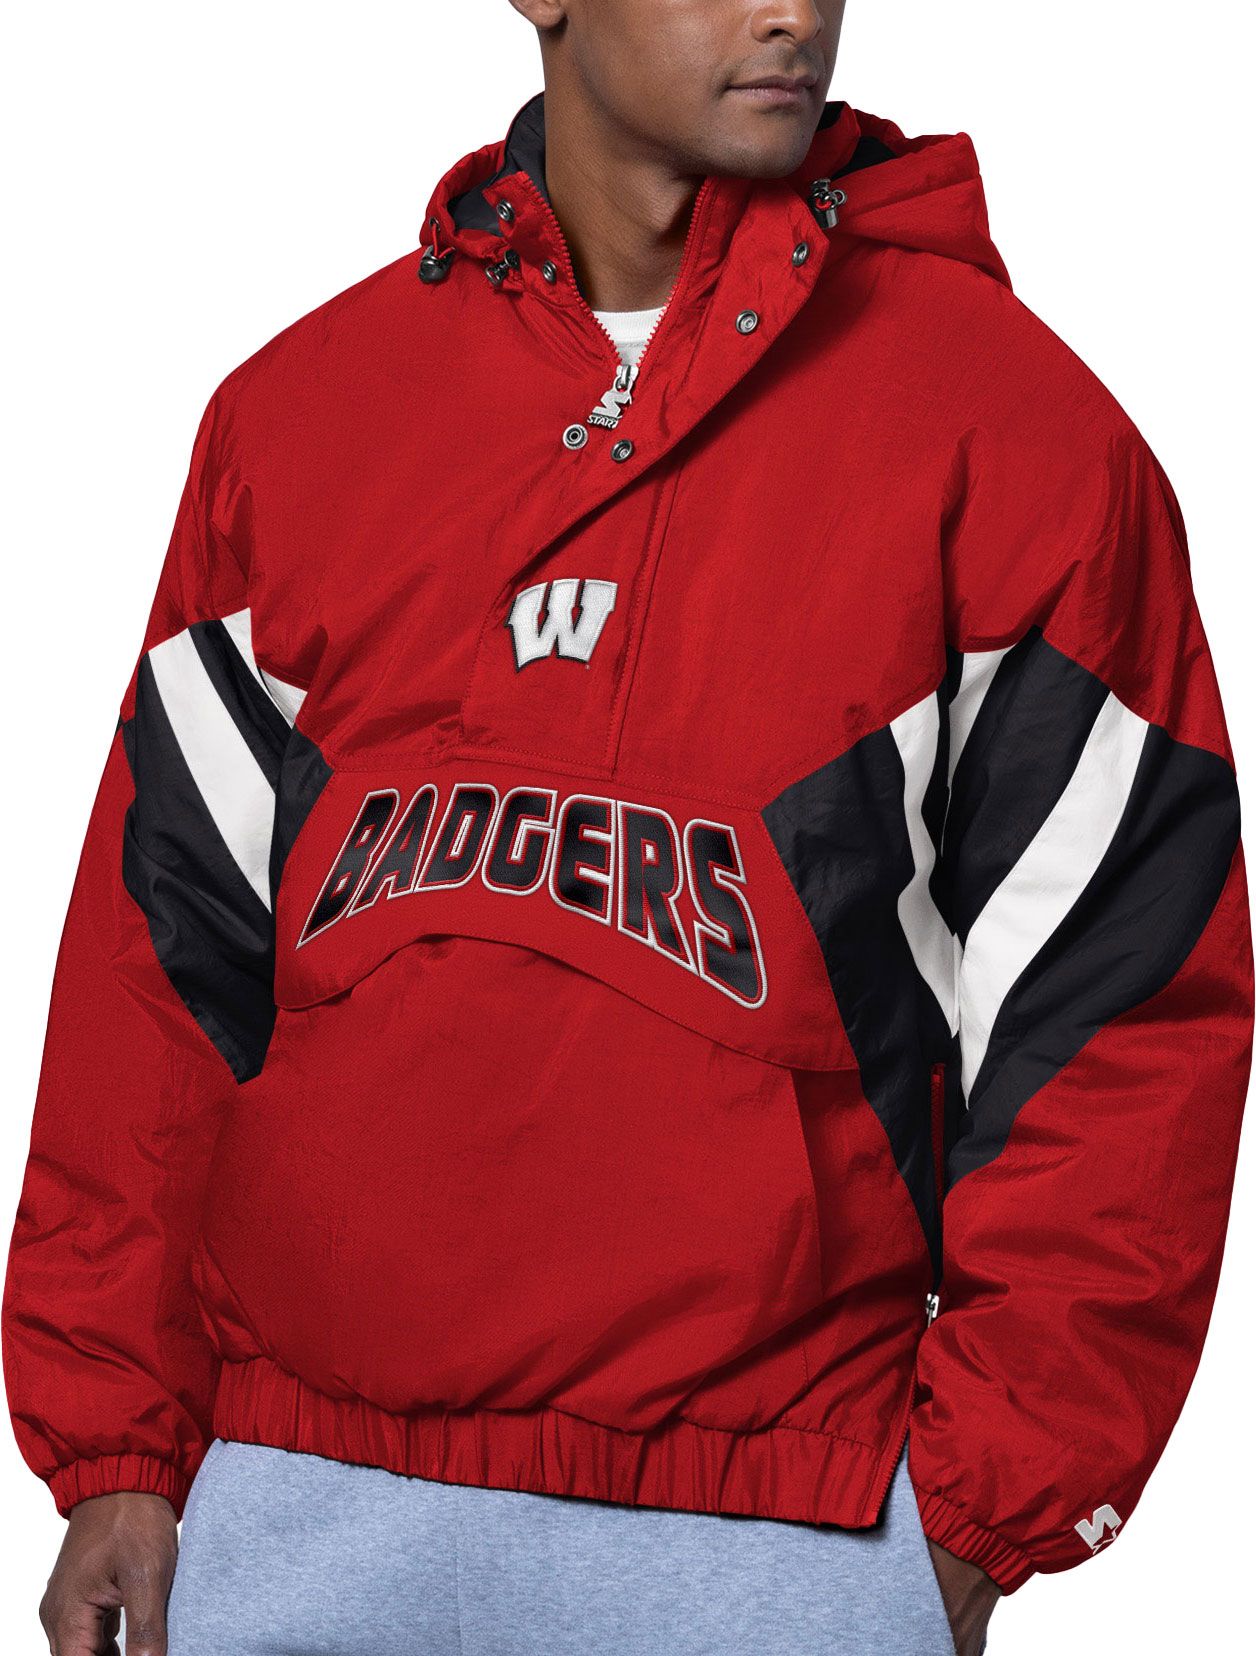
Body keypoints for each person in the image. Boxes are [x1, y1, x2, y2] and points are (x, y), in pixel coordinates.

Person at [6, 1, 1251, 1652]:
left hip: (784, 1533)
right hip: (293, 1513)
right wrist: (118, 1446)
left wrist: (980, 1508)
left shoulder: (1007, 428)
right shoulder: (298, 414)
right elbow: (164, 971)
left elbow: (1120, 998)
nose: (794, 10)